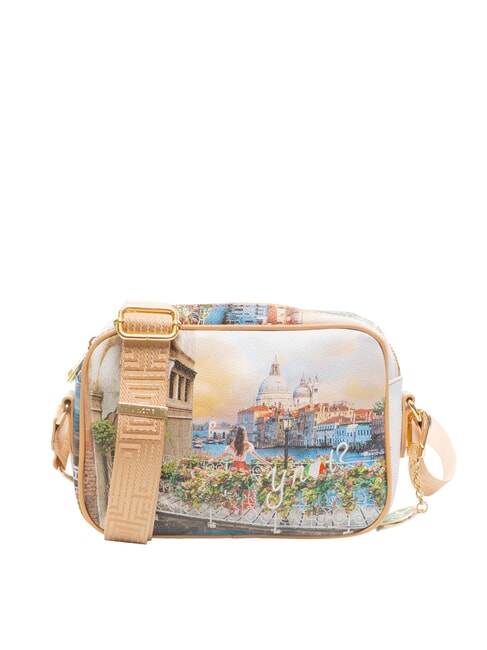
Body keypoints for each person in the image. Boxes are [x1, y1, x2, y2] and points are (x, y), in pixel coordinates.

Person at [208, 426, 270, 511]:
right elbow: (256, 455)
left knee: (233, 487)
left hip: (235, 466)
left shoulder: (233, 443)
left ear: (237, 434)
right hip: (243, 467)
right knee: (245, 486)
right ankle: (243, 506)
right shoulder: (248, 445)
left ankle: (233, 506)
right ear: (245, 434)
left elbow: (224, 455)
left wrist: (213, 459)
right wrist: (265, 462)